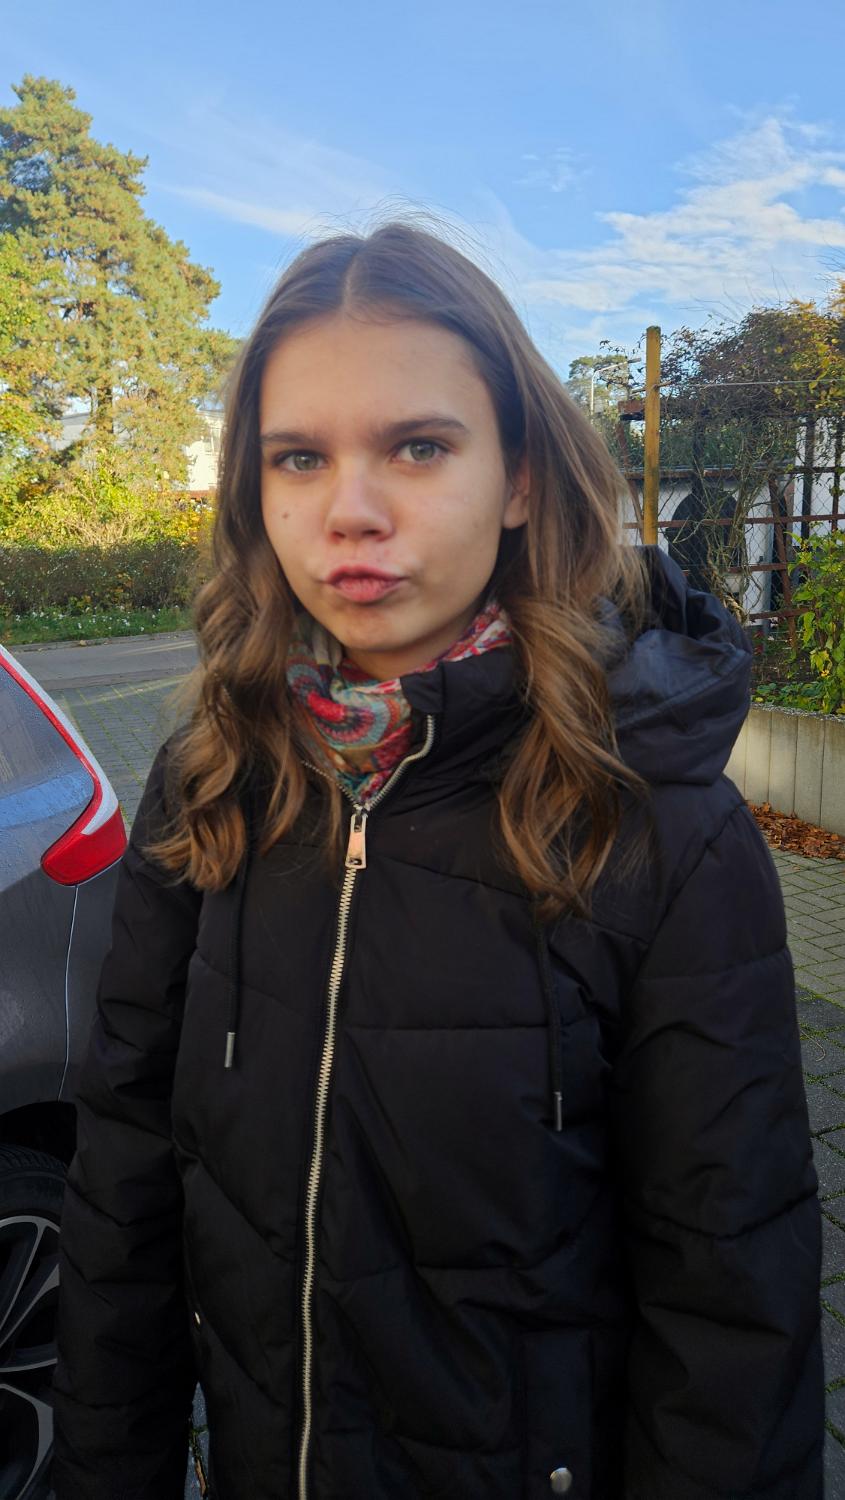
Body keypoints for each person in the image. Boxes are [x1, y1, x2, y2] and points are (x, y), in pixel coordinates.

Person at [51, 221, 823, 1500]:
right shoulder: (211, 778)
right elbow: (124, 1180)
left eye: (417, 446)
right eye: (298, 457)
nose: (349, 512)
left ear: (517, 478)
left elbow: (730, 1295)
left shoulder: (656, 827)